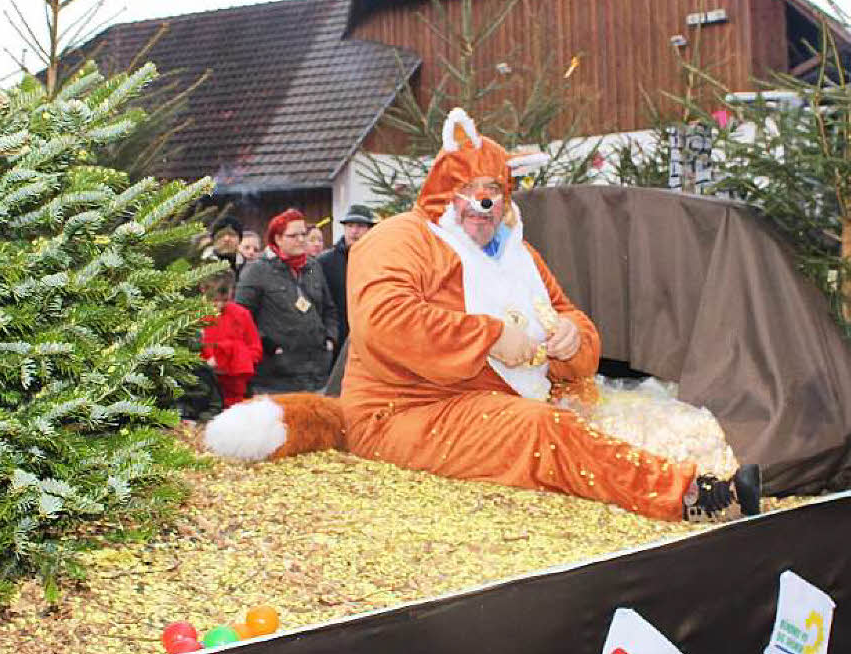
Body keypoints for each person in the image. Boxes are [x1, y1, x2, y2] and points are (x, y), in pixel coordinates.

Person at [206, 108, 760, 523]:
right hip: (406, 411)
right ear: (446, 193)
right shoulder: (402, 239)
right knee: (539, 431)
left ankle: (721, 470)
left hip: (501, 397)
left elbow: (574, 321)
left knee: (630, 411)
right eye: (470, 192)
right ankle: (689, 497)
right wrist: (490, 337)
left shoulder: (519, 254)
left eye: (494, 192)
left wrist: (573, 340)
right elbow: (385, 321)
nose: (483, 206)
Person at [234, 208, 338, 394]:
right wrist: (269, 347)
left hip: (317, 372)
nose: (301, 240)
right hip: (274, 378)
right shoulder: (256, 271)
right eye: (293, 235)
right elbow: (240, 317)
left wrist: (330, 338)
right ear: (278, 239)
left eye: (303, 234)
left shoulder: (313, 267)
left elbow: (329, 309)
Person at [318, 204, 375, 362]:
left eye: (360, 226)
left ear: (370, 230)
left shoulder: (379, 259)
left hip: (370, 334)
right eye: (350, 226)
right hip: (337, 334)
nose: (354, 231)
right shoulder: (325, 261)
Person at [199, 270, 263, 407]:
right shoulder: (192, 316)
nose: (219, 305)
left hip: (235, 388)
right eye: (214, 301)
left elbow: (255, 348)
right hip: (202, 388)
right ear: (203, 290)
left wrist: (237, 360)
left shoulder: (241, 314)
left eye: (225, 300)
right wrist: (205, 363)